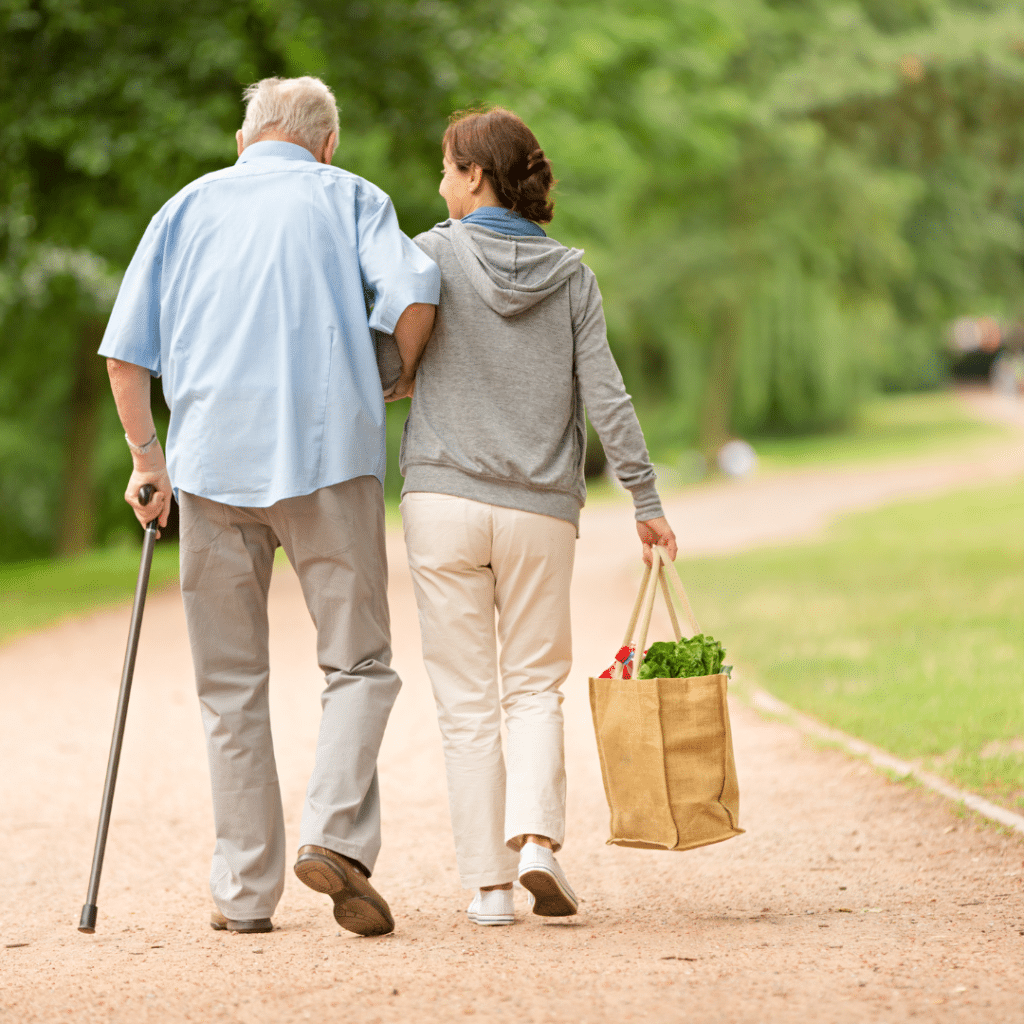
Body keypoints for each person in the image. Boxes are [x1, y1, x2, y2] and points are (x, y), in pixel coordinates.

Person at [99, 77, 440, 936]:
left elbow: (125, 360)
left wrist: (149, 460)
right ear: (325, 143)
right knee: (359, 665)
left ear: (244, 138)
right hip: (329, 460)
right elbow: (417, 295)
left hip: (212, 468)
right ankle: (333, 836)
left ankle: (245, 895)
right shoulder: (353, 198)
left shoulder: (185, 207)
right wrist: (391, 376)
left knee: (228, 686)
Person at [397, 107, 677, 926]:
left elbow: (389, 363)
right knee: (532, 689)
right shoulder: (572, 276)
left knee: (465, 699)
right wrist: (646, 500)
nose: (441, 183)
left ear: (476, 176)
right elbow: (608, 399)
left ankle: (487, 888)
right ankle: (538, 846)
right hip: (539, 513)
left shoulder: (430, 256)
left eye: (448, 168)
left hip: (443, 500)